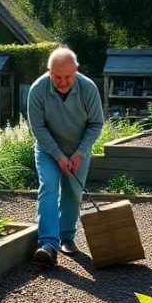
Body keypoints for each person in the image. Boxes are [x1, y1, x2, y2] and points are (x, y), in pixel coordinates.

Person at [27, 47, 104, 266]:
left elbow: (96, 123)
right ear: (48, 71)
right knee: (49, 187)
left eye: (67, 77)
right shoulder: (37, 90)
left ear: (76, 70)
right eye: (57, 77)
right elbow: (38, 128)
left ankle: (67, 237)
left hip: (79, 148)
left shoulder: (88, 88)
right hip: (48, 149)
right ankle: (48, 244)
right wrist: (59, 156)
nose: (62, 82)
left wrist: (79, 153)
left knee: (73, 191)